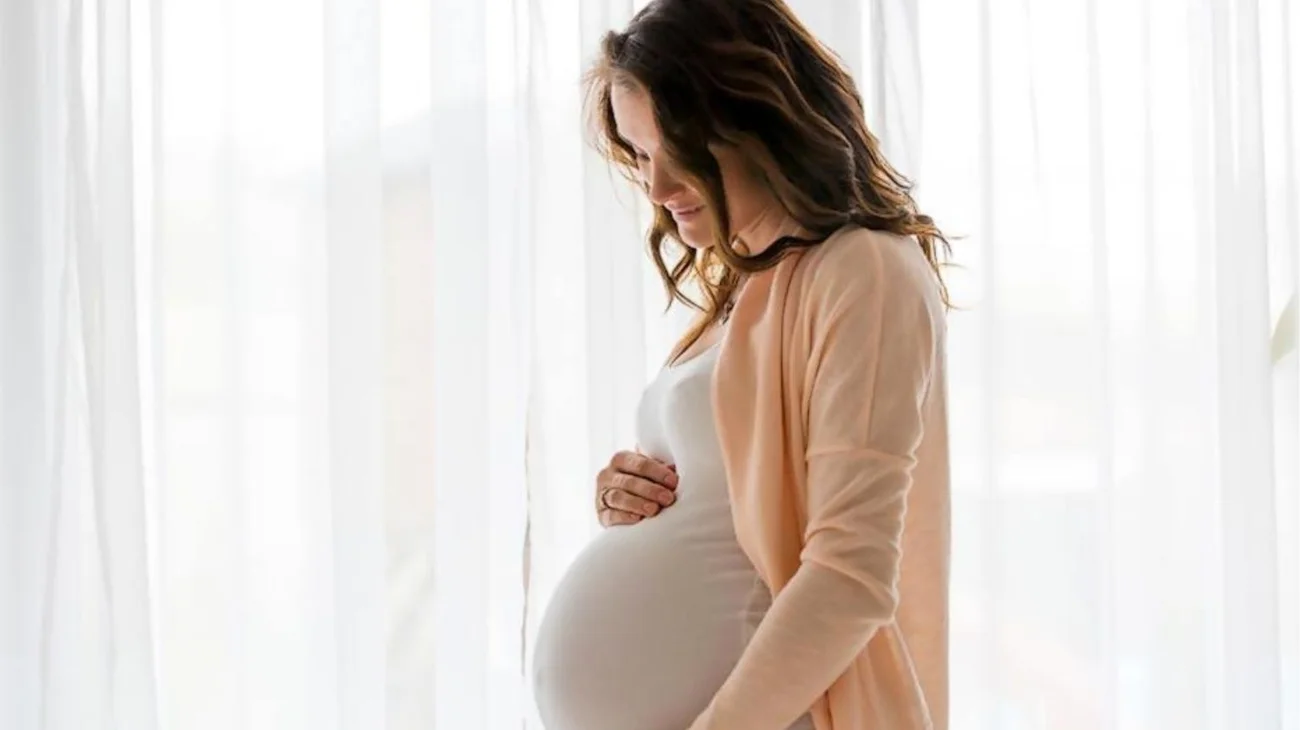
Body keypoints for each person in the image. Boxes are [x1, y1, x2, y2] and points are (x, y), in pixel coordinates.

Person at [529, 1, 951, 729]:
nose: (656, 189)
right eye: (639, 154)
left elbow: (850, 574)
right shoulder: (748, 284)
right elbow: (735, 505)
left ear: (757, 117)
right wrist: (627, 499)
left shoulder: (864, 269)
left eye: (675, 148)